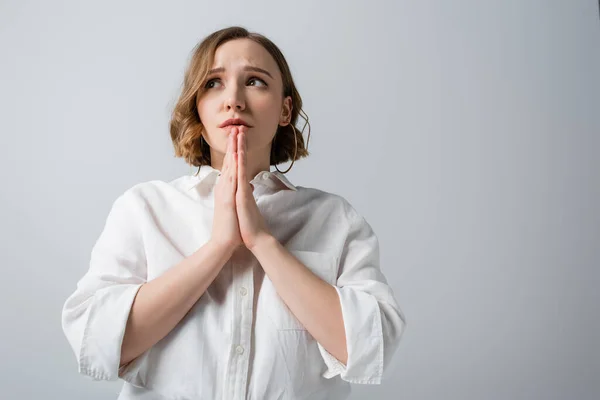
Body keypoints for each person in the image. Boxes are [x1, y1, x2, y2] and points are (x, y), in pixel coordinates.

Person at [61, 26, 407, 400]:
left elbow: (372, 347)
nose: (233, 100)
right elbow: (95, 338)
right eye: (213, 84)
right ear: (198, 106)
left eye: (255, 81)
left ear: (285, 109)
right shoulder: (144, 208)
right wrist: (218, 246)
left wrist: (263, 242)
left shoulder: (335, 219)